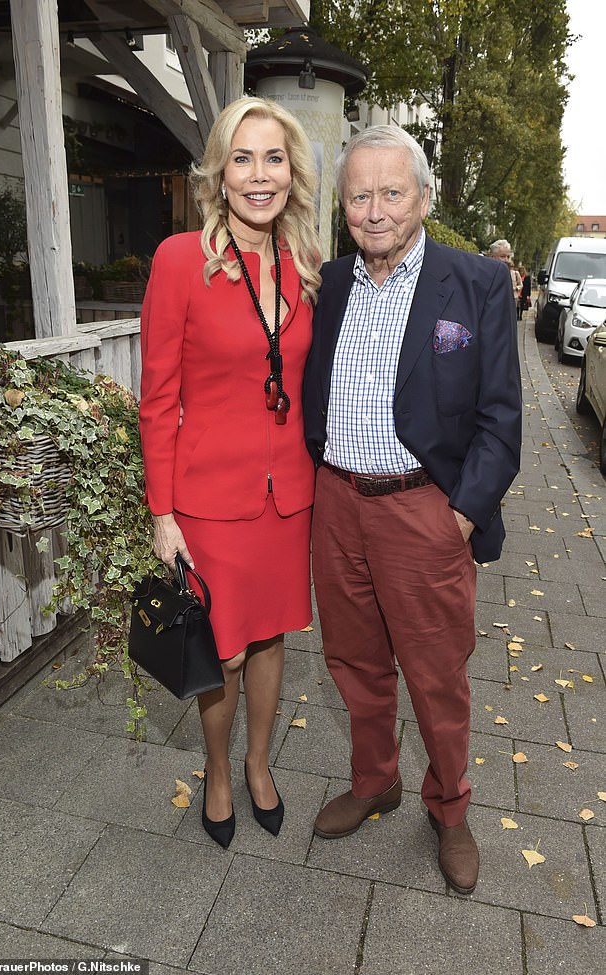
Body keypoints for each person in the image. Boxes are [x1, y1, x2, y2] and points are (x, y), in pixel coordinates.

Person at [303, 125, 522, 895]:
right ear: (343, 205)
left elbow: (501, 420)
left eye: (391, 192)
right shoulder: (329, 283)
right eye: (359, 194)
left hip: (423, 512)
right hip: (336, 505)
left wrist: (457, 517)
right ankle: (376, 781)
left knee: (437, 676)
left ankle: (450, 807)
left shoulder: (477, 285)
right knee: (354, 663)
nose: (375, 209)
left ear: (424, 197)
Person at [139, 96, 322, 848]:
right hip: (209, 500)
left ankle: (257, 763)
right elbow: (156, 398)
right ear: (218, 169)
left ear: (292, 172)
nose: (258, 174)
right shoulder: (179, 258)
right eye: (242, 157)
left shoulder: (306, 263)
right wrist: (161, 512)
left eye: (272, 157)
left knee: (274, 636)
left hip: (290, 498)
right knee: (225, 645)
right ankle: (217, 770)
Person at [489, 238, 521, 316]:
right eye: (503, 256)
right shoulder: (484, 275)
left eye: (508, 256)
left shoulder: (508, 274)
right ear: (492, 257)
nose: (507, 260)